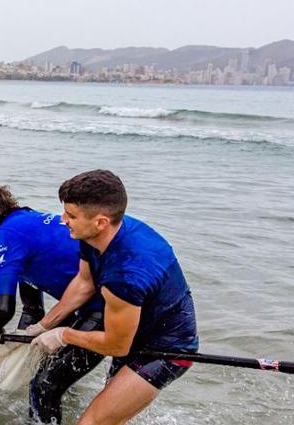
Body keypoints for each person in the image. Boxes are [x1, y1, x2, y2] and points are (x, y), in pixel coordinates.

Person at [29, 170, 198, 425]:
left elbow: (117, 346)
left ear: (101, 222)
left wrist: (63, 335)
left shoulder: (125, 275)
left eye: (71, 216)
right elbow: (84, 284)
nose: (63, 220)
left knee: (92, 422)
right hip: (132, 331)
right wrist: (45, 324)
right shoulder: (94, 234)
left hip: (166, 349)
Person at [0, 181, 104, 424]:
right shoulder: (24, 222)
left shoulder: (5, 236)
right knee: (56, 373)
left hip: (105, 308)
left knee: (43, 387)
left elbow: (1, 309)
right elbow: (32, 310)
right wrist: (9, 339)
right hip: (91, 304)